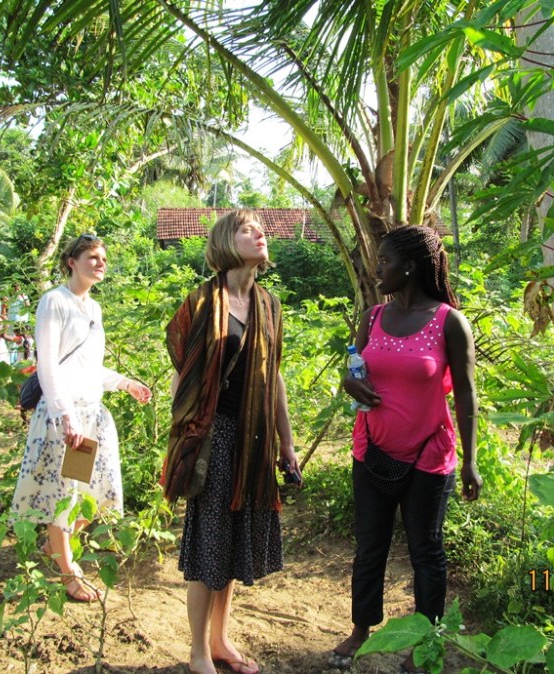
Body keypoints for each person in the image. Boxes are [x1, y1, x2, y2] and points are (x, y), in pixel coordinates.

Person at [328, 225, 481, 674]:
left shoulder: (449, 322)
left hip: (428, 456)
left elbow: (467, 394)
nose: (377, 270)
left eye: (385, 261)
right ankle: (361, 630)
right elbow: (355, 366)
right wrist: (349, 381)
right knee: (369, 545)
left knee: (425, 551)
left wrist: (470, 462)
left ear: (410, 266)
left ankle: (425, 642)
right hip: (371, 450)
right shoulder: (373, 316)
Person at [163, 209, 301, 674]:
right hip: (215, 439)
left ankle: (220, 641)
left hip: (254, 440)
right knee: (210, 546)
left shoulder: (269, 305)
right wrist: (186, 433)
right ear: (226, 241)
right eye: (247, 229)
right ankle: (198, 652)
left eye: (261, 228)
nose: (260, 233)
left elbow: (273, 376)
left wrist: (286, 443)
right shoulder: (202, 302)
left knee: (234, 543)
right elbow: (184, 371)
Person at [10, 234, 152, 602]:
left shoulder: (94, 309)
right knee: (65, 494)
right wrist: (65, 416)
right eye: (92, 257)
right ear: (71, 262)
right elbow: (47, 365)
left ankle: (56, 548)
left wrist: (124, 383)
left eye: (103, 258)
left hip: (91, 412)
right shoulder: (54, 301)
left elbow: (88, 367)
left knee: (95, 493)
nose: (100, 263)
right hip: (65, 416)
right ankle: (68, 572)